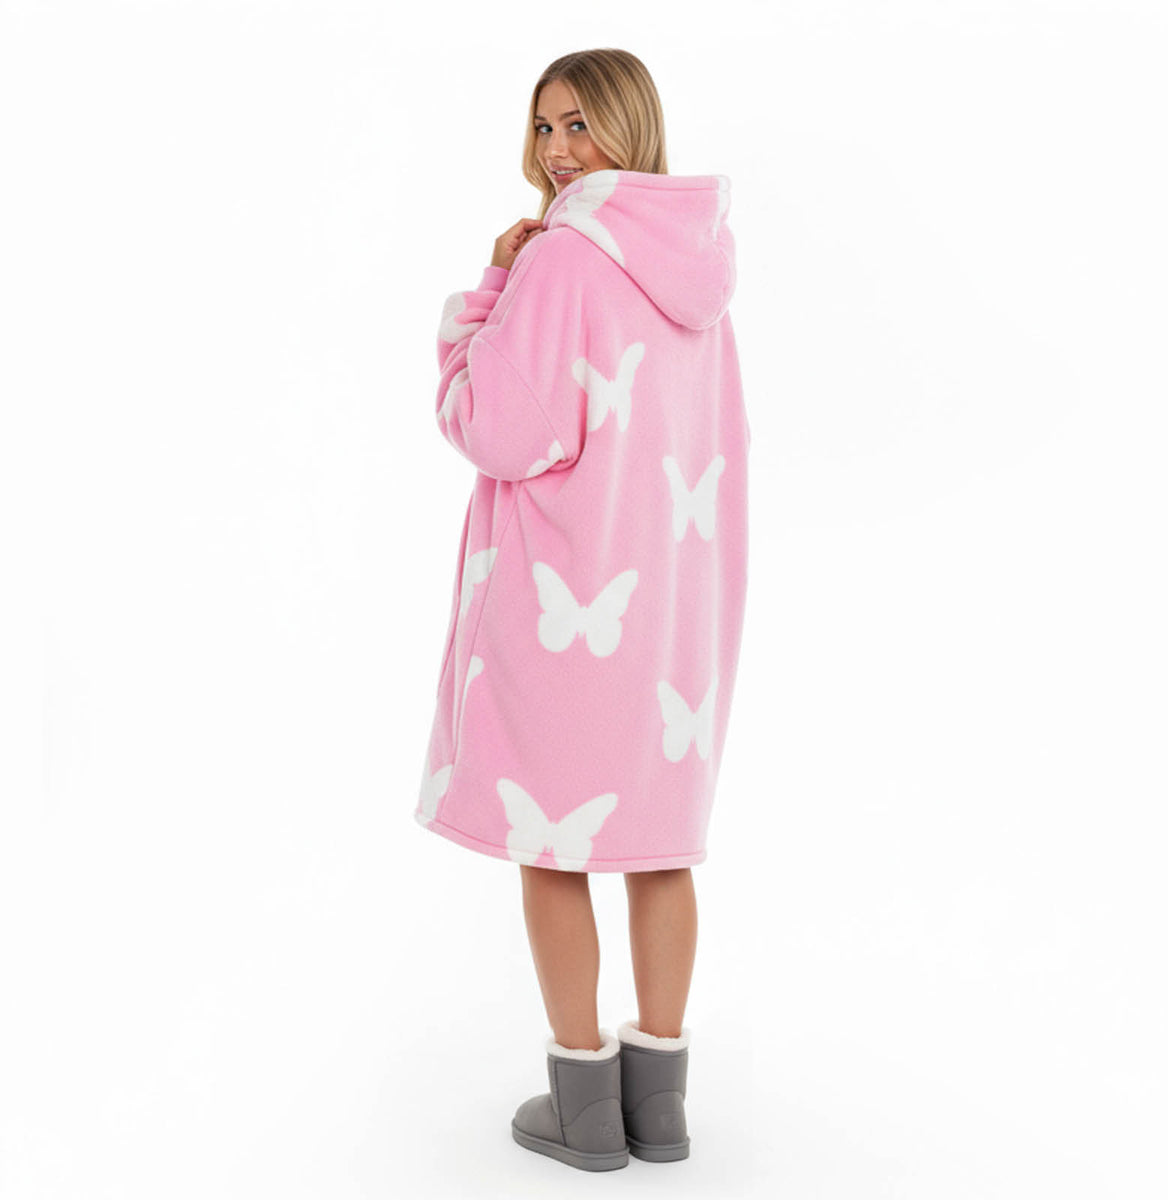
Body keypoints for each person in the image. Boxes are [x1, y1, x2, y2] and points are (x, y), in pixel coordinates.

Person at [414, 47, 750, 1171]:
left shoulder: (562, 256)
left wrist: (485, 298)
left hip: (563, 600)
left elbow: (497, 429)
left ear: (627, 125)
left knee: (552, 847)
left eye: (579, 125)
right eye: (544, 127)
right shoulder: (699, 267)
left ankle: (586, 1108)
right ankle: (662, 1106)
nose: (559, 151)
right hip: (671, 613)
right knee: (658, 847)